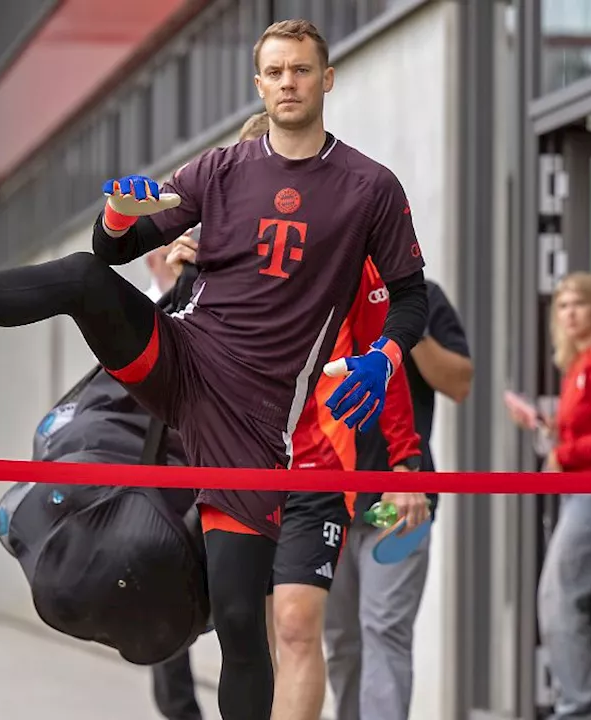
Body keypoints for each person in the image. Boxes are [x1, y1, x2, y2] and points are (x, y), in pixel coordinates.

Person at [0, 19, 429, 719]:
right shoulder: (222, 170)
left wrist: (385, 356)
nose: (289, 83)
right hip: (184, 361)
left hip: (253, 420)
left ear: (326, 79)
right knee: (80, 277)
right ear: (258, 83)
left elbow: (410, 297)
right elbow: (114, 250)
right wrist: (115, 215)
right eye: (275, 71)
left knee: (238, 625)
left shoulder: (368, 188)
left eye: (301, 71)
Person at [161, 110, 426, 720]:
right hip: (233, 457)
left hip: (314, 461)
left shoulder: (347, 256)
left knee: (298, 623)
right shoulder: (212, 259)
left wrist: (408, 459)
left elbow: (387, 356)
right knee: (243, 628)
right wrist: (185, 277)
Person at [323, 278, 472, 720]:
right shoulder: (322, 282)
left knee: (385, 630)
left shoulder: (424, 296)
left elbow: (460, 382)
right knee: (341, 641)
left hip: (401, 499)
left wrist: (405, 324)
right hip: (327, 500)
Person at [505, 271, 591, 720]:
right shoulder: (578, 366)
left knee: (557, 597)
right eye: (563, 305)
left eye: (579, 303)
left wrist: (564, 452)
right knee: (590, 606)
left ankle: (579, 707)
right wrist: (549, 429)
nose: (569, 312)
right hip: (577, 492)